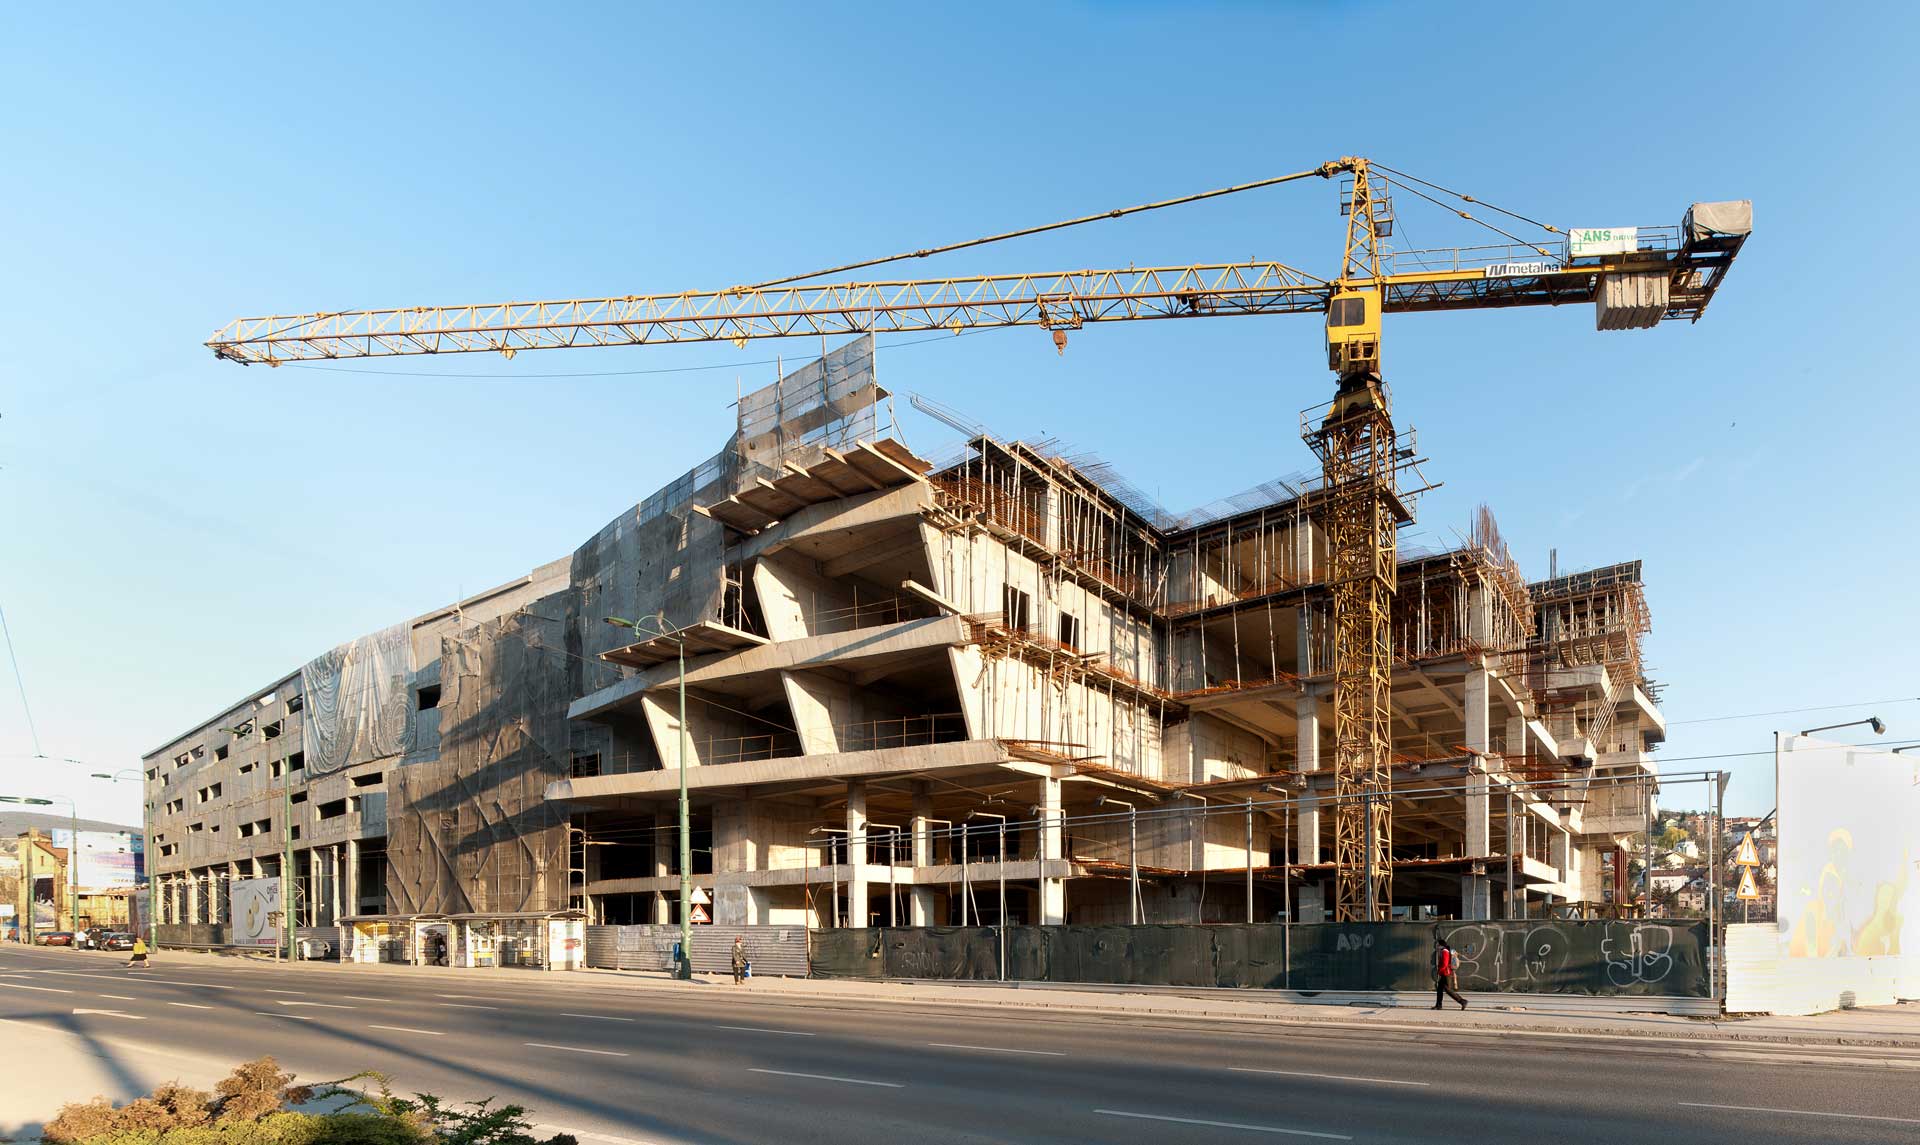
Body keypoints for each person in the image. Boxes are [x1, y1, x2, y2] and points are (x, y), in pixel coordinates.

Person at [1433, 936, 1467, 1010]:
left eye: (1437, 945)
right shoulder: (1443, 951)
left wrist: (1440, 970)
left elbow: (1445, 963)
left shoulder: (1445, 951)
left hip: (1446, 973)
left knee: (1448, 989)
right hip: (1444, 973)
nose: (1437, 946)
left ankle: (1462, 1001)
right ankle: (1438, 1005)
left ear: (1441, 945)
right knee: (1439, 989)